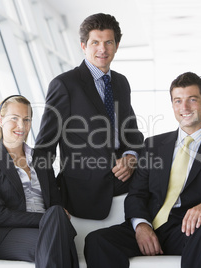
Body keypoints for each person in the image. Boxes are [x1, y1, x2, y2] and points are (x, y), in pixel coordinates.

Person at [84, 72, 201, 268]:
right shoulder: (154, 145)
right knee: (97, 241)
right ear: (172, 104)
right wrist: (141, 225)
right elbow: (137, 194)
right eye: (178, 101)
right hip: (152, 225)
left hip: (190, 229)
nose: (185, 108)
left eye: (192, 100)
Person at [35, 13, 144, 220]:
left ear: (117, 45)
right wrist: (54, 205)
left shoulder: (121, 83)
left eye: (108, 42)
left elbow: (132, 134)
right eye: (95, 42)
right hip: (83, 190)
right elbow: (43, 150)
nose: (102, 49)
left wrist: (131, 156)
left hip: (123, 179)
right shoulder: (65, 85)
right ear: (83, 45)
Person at [0, 95, 78, 268]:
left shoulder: (40, 158)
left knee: (56, 219)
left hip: (48, 228)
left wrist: (55, 217)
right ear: (0, 120)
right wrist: (46, 219)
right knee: (58, 241)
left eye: (26, 119)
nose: (21, 126)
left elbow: (55, 201)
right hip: (7, 234)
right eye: (14, 118)